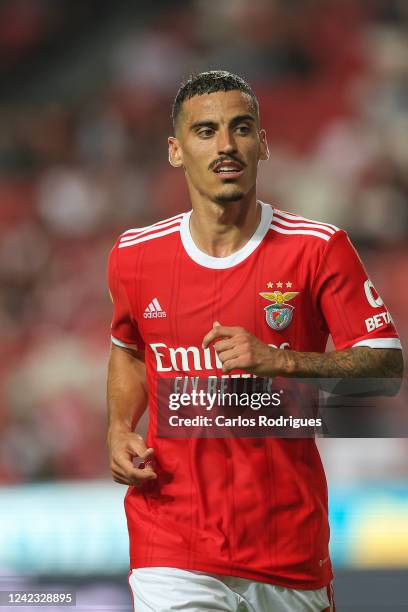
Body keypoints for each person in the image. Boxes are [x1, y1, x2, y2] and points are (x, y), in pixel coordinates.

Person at [107, 71, 403, 612]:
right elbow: (128, 347)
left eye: (241, 128)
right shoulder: (134, 255)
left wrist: (280, 359)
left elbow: (387, 367)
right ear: (176, 150)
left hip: (288, 545)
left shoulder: (318, 248)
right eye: (206, 131)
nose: (225, 145)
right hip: (172, 542)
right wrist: (118, 427)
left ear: (262, 143)